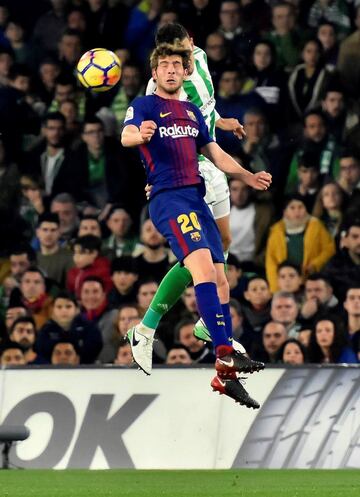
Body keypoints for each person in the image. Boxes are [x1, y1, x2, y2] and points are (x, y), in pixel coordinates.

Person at [121, 41, 271, 406]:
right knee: (202, 266)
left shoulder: (189, 111)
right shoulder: (144, 106)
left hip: (195, 196)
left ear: (185, 71)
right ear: (154, 73)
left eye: (176, 64)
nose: (171, 69)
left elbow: (215, 152)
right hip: (169, 198)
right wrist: (138, 136)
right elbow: (126, 133)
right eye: (164, 65)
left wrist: (247, 175)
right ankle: (222, 351)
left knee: (221, 274)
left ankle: (225, 375)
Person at [137, 23, 257, 356]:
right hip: (191, 168)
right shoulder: (156, 90)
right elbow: (151, 138)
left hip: (213, 157)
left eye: (187, 53)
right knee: (200, 257)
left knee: (225, 242)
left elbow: (202, 105)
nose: (184, 62)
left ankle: (198, 322)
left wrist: (221, 120)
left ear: (192, 43)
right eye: (176, 58)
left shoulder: (200, 58)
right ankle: (153, 325)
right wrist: (156, 179)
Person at [266, 194, 335, 293]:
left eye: (300, 207)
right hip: (285, 283)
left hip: (311, 280)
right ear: (285, 212)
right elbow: (271, 262)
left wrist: (315, 264)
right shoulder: (276, 230)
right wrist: (275, 288)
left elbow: (329, 249)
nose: (297, 211)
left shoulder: (316, 226)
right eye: (292, 208)